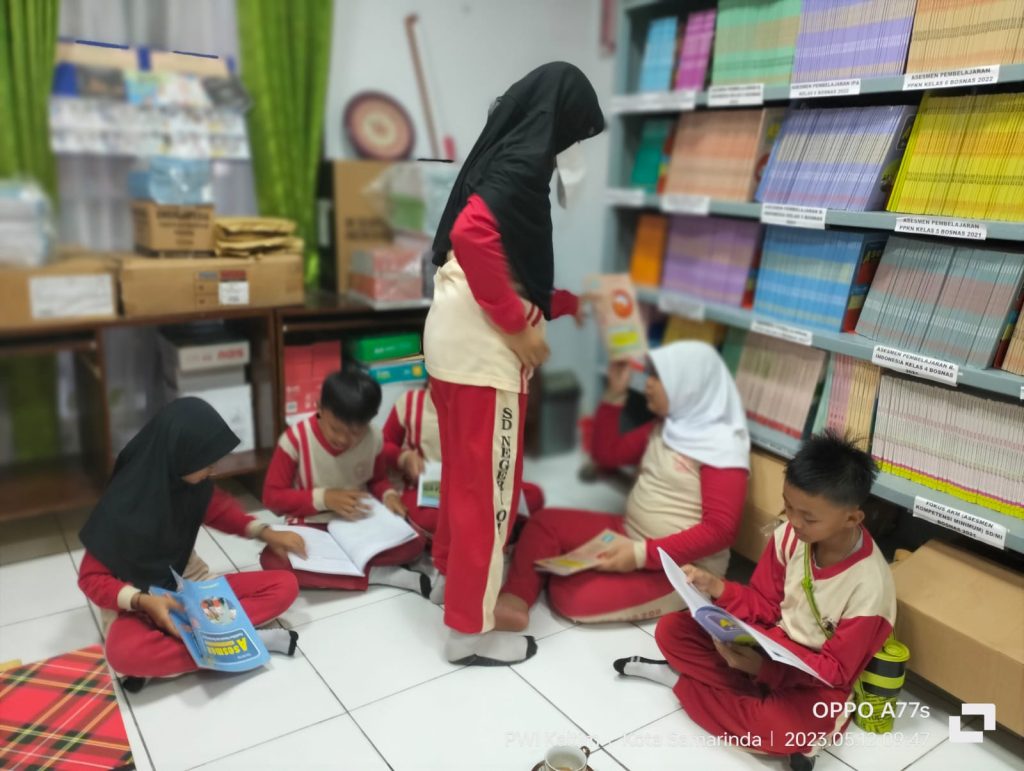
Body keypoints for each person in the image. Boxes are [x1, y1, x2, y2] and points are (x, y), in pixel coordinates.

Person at [423, 61, 605, 665]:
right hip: (483, 358)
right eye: (575, 133)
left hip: (450, 345)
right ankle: (467, 632)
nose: (572, 148)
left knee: (463, 479)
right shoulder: (525, 166)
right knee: (490, 494)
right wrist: (517, 327)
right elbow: (474, 237)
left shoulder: (501, 156)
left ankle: (452, 583)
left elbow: (505, 261)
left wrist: (568, 303)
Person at [613, 431, 896, 771]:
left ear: (852, 518)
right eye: (788, 506)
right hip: (766, 643)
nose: (794, 522)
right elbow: (764, 603)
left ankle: (679, 682)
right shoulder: (790, 536)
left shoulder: (869, 587)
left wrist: (762, 669)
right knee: (672, 630)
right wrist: (717, 587)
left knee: (781, 730)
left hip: (811, 681)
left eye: (809, 517)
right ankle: (748, 697)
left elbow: (835, 673)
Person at [493, 341, 749, 630]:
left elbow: (721, 530)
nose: (648, 383)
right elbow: (607, 455)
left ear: (689, 388)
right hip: (629, 533)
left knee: (573, 596)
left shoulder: (722, 446)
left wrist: (641, 555)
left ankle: (547, 577)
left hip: (681, 567)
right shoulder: (668, 425)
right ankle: (516, 597)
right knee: (544, 522)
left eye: (658, 378)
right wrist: (614, 395)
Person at [78, 398, 305, 691]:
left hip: (187, 582)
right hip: (137, 599)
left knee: (285, 585)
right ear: (178, 455)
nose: (213, 472)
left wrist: (265, 532)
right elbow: (91, 578)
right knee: (124, 653)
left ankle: (197, 648)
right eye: (207, 465)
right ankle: (242, 640)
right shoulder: (120, 507)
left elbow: (219, 510)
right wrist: (143, 601)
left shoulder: (188, 483)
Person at [260, 369, 430, 595]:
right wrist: (325, 498)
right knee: (273, 558)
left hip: (358, 523)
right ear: (319, 408)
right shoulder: (295, 440)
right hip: (312, 523)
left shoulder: (374, 438)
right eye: (335, 429)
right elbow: (272, 498)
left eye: (355, 433)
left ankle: (348, 569)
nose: (342, 439)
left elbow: (377, 479)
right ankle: (381, 574)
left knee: (415, 542)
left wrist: (388, 495)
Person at [381, 380, 547, 536]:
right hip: (427, 488)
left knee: (533, 496)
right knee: (433, 519)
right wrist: (403, 457)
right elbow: (383, 446)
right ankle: (485, 530)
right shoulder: (410, 403)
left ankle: (476, 529)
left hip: (474, 487)